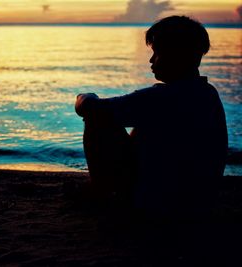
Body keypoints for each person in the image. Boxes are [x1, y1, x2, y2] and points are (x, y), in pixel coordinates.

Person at [75, 16, 228, 219]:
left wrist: (85, 96)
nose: (151, 60)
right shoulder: (207, 93)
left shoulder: (160, 98)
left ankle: (100, 191)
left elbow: (89, 108)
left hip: (157, 204)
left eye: (157, 53)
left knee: (98, 119)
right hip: (199, 201)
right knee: (133, 120)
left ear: (176, 55)